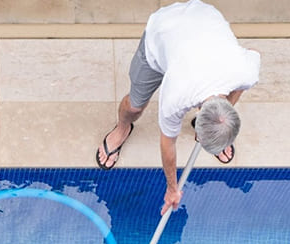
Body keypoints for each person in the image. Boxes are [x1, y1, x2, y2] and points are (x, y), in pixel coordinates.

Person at [96, 0, 260, 214]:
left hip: (203, 20)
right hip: (163, 32)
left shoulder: (245, 73)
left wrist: (220, 126)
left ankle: (218, 129)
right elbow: (167, 144)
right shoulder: (177, 95)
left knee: (222, 112)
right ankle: (122, 128)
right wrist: (172, 189)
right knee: (135, 106)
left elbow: (251, 61)